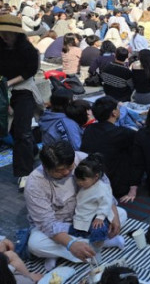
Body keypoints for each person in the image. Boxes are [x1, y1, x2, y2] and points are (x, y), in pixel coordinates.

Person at [24, 141, 127, 269]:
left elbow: (104, 185)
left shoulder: (82, 159)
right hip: (60, 225)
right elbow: (47, 224)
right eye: (60, 170)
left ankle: (62, 252)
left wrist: (114, 215)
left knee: (121, 214)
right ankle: (98, 244)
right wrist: (70, 244)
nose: (67, 172)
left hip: (87, 216)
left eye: (70, 166)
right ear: (45, 167)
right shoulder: (34, 184)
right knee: (36, 244)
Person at [0, 14, 42, 190]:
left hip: (23, 88)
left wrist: (8, 84)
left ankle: (24, 173)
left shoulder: (28, 50)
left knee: (22, 130)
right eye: (2, 33)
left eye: (8, 33)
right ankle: (32, 150)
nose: (4, 36)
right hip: (3, 90)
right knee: (14, 128)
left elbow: (29, 71)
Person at [80, 97, 137, 201]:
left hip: (93, 180)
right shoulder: (124, 133)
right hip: (116, 185)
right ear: (114, 113)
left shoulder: (89, 129)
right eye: (118, 108)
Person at [70, 154, 125, 260]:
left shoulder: (102, 187)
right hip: (83, 216)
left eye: (83, 180)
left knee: (98, 231)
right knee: (73, 233)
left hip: (97, 218)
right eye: (77, 180)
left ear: (96, 177)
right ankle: (109, 242)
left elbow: (106, 203)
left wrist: (100, 217)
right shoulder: (85, 186)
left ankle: (96, 252)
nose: (79, 183)